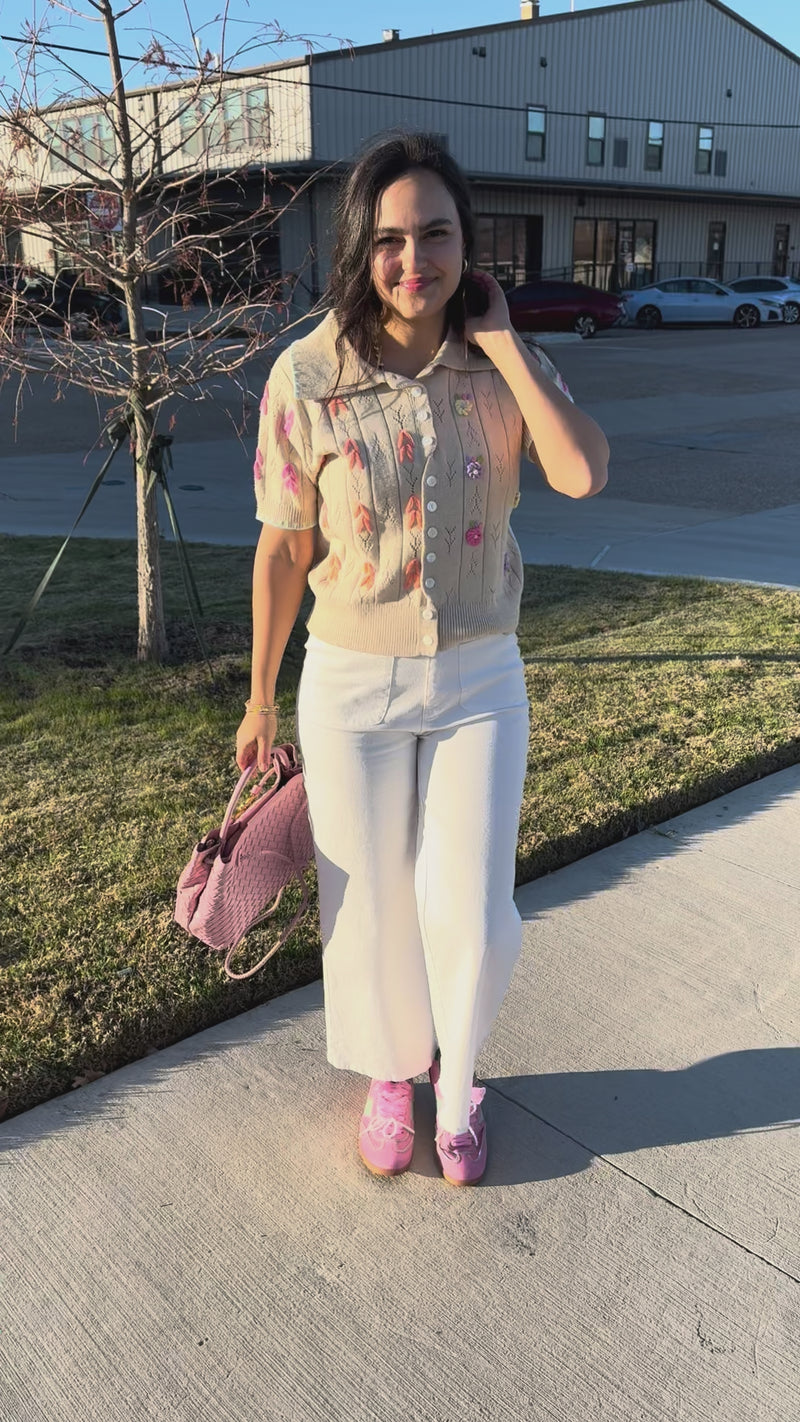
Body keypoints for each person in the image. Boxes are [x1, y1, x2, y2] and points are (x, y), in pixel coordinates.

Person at [235, 132, 609, 1186]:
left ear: (466, 245)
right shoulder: (307, 375)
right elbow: (282, 548)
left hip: (480, 678)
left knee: (471, 908)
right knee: (369, 909)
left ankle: (460, 1083)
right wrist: (259, 699)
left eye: (435, 235)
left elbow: (581, 472)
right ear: (361, 248)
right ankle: (392, 1075)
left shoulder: (500, 364)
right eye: (390, 240)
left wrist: (503, 345)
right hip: (350, 684)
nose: (413, 261)